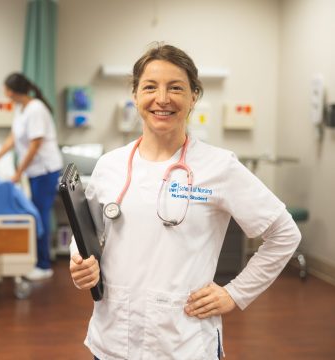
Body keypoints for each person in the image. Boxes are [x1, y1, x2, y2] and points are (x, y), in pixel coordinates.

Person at [69, 43, 301, 359]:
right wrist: (80, 260)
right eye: (150, 87)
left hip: (185, 343)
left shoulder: (219, 166)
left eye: (175, 88)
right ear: (135, 95)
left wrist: (235, 294)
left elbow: (284, 234)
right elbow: (85, 230)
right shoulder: (110, 165)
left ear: (193, 97)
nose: (162, 99)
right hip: (111, 341)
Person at [0, 73, 63, 281]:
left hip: (45, 171)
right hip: (34, 171)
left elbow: (35, 146)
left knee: (40, 215)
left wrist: (18, 172)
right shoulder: (21, 109)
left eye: (6, 90)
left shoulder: (36, 109)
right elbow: (12, 139)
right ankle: (37, 260)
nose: (5, 94)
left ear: (12, 90)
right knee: (35, 213)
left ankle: (44, 265)